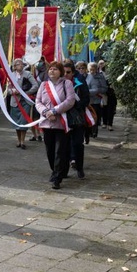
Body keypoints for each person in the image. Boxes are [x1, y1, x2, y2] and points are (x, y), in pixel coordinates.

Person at [34, 61, 75, 189]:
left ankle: (57, 177)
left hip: (61, 122)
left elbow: (70, 100)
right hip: (47, 123)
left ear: (60, 72)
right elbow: (38, 102)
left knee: (59, 151)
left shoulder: (66, 84)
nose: (52, 71)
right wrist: (46, 112)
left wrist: (55, 111)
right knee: (50, 150)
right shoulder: (43, 85)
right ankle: (55, 170)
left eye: (55, 69)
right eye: (50, 69)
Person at [63, 61, 89, 179]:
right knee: (64, 145)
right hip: (62, 117)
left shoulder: (79, 82)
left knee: (78, 143)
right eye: (63, 72)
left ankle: (79, 167)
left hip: (77, 117)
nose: (65, 74)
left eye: (68, 72)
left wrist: (75, 106)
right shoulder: (57, 84)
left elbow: (86, 99)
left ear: (73, 72)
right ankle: (63, 170)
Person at [7, 58, 39, 149]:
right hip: (14, 102)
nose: (20, 65)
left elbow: (35, 85)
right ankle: (18, 140)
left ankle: (22, 141)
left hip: (25, 102)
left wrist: (25, 93)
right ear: (14, 66)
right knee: (17, 122)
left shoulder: (28, 74)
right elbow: (8, 89)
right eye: (17, 64)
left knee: (23, 122)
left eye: (21, 64)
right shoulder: (11, 75)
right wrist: (12, 91)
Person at [86, 61, 108, 139]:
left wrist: (97, 90)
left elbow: (105, 88)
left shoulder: (100, 76)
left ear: (96, 69)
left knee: (95, 117)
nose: (92, 70)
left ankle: (94, 132)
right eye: (90, 69)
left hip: (96, 101)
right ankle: (88, 132)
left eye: (93, 69)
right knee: (88, 117)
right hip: (87, 100)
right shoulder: (85, 76)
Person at [28, 57, 48, 142]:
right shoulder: (30, 70)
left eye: (40, 61)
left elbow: (45, 84)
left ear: (43, 62)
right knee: (30, 117)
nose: (38, 63)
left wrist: (35, 84)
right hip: (30, 97)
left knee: (37, 117)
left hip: (40, 97)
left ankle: (39, 134)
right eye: (37, 61)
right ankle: (34, 135)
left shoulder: (46, 72)